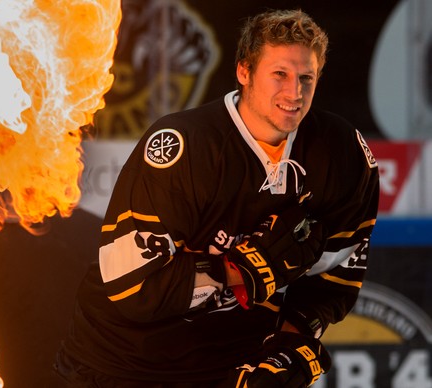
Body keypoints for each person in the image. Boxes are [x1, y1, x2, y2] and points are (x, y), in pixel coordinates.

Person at [52, 8, 380, 388]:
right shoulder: (183, 146)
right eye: (280, 75)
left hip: (230, 365)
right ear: (244, 72)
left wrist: (289, 343)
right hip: (120, 362)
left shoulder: (342, 155)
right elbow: (131, 284)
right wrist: (235, 271)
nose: (294, 93)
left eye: (306, 77)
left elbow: (336, 275)